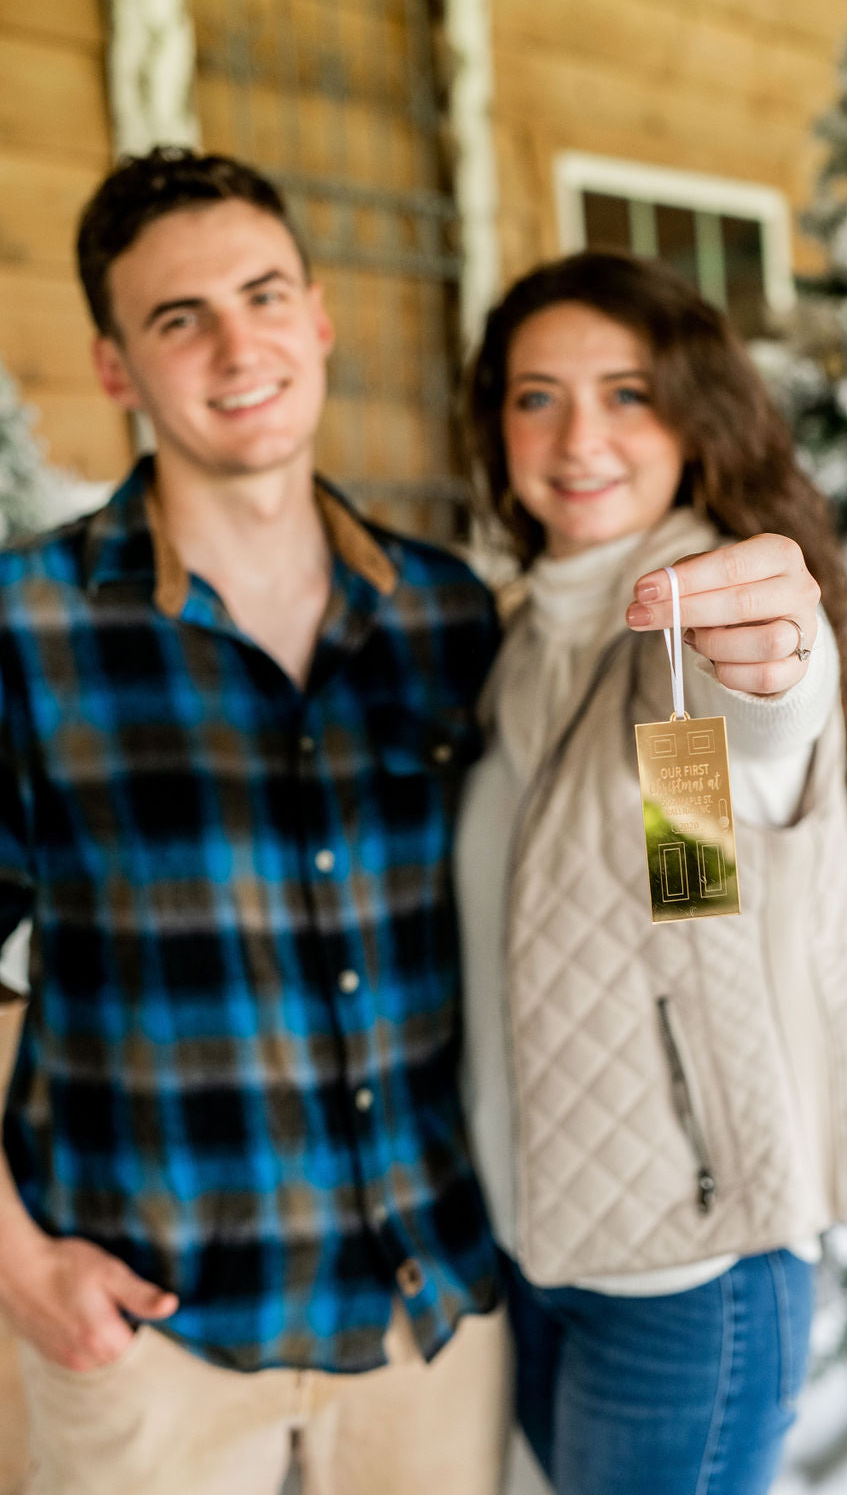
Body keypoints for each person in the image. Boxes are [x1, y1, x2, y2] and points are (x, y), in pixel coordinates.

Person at [0, 147, 510, 1495]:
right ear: (116, 367)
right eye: (180, 318)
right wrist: (16, 1262)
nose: (239, 344)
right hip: (146, 1321)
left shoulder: (447, 613)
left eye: (264, 294)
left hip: (427, 1316)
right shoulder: (25, 625)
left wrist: (754, 698)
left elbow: (659, 859)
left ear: (320, 316)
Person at [457, 250, 847, 1495]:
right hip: (531, 1248)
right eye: (536, 395)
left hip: (682, 1276)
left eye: (627, 392)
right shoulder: (507, 641)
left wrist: (763, 674)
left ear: (692, 416)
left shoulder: (682, 632)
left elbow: (702, 852)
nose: (578, 434)